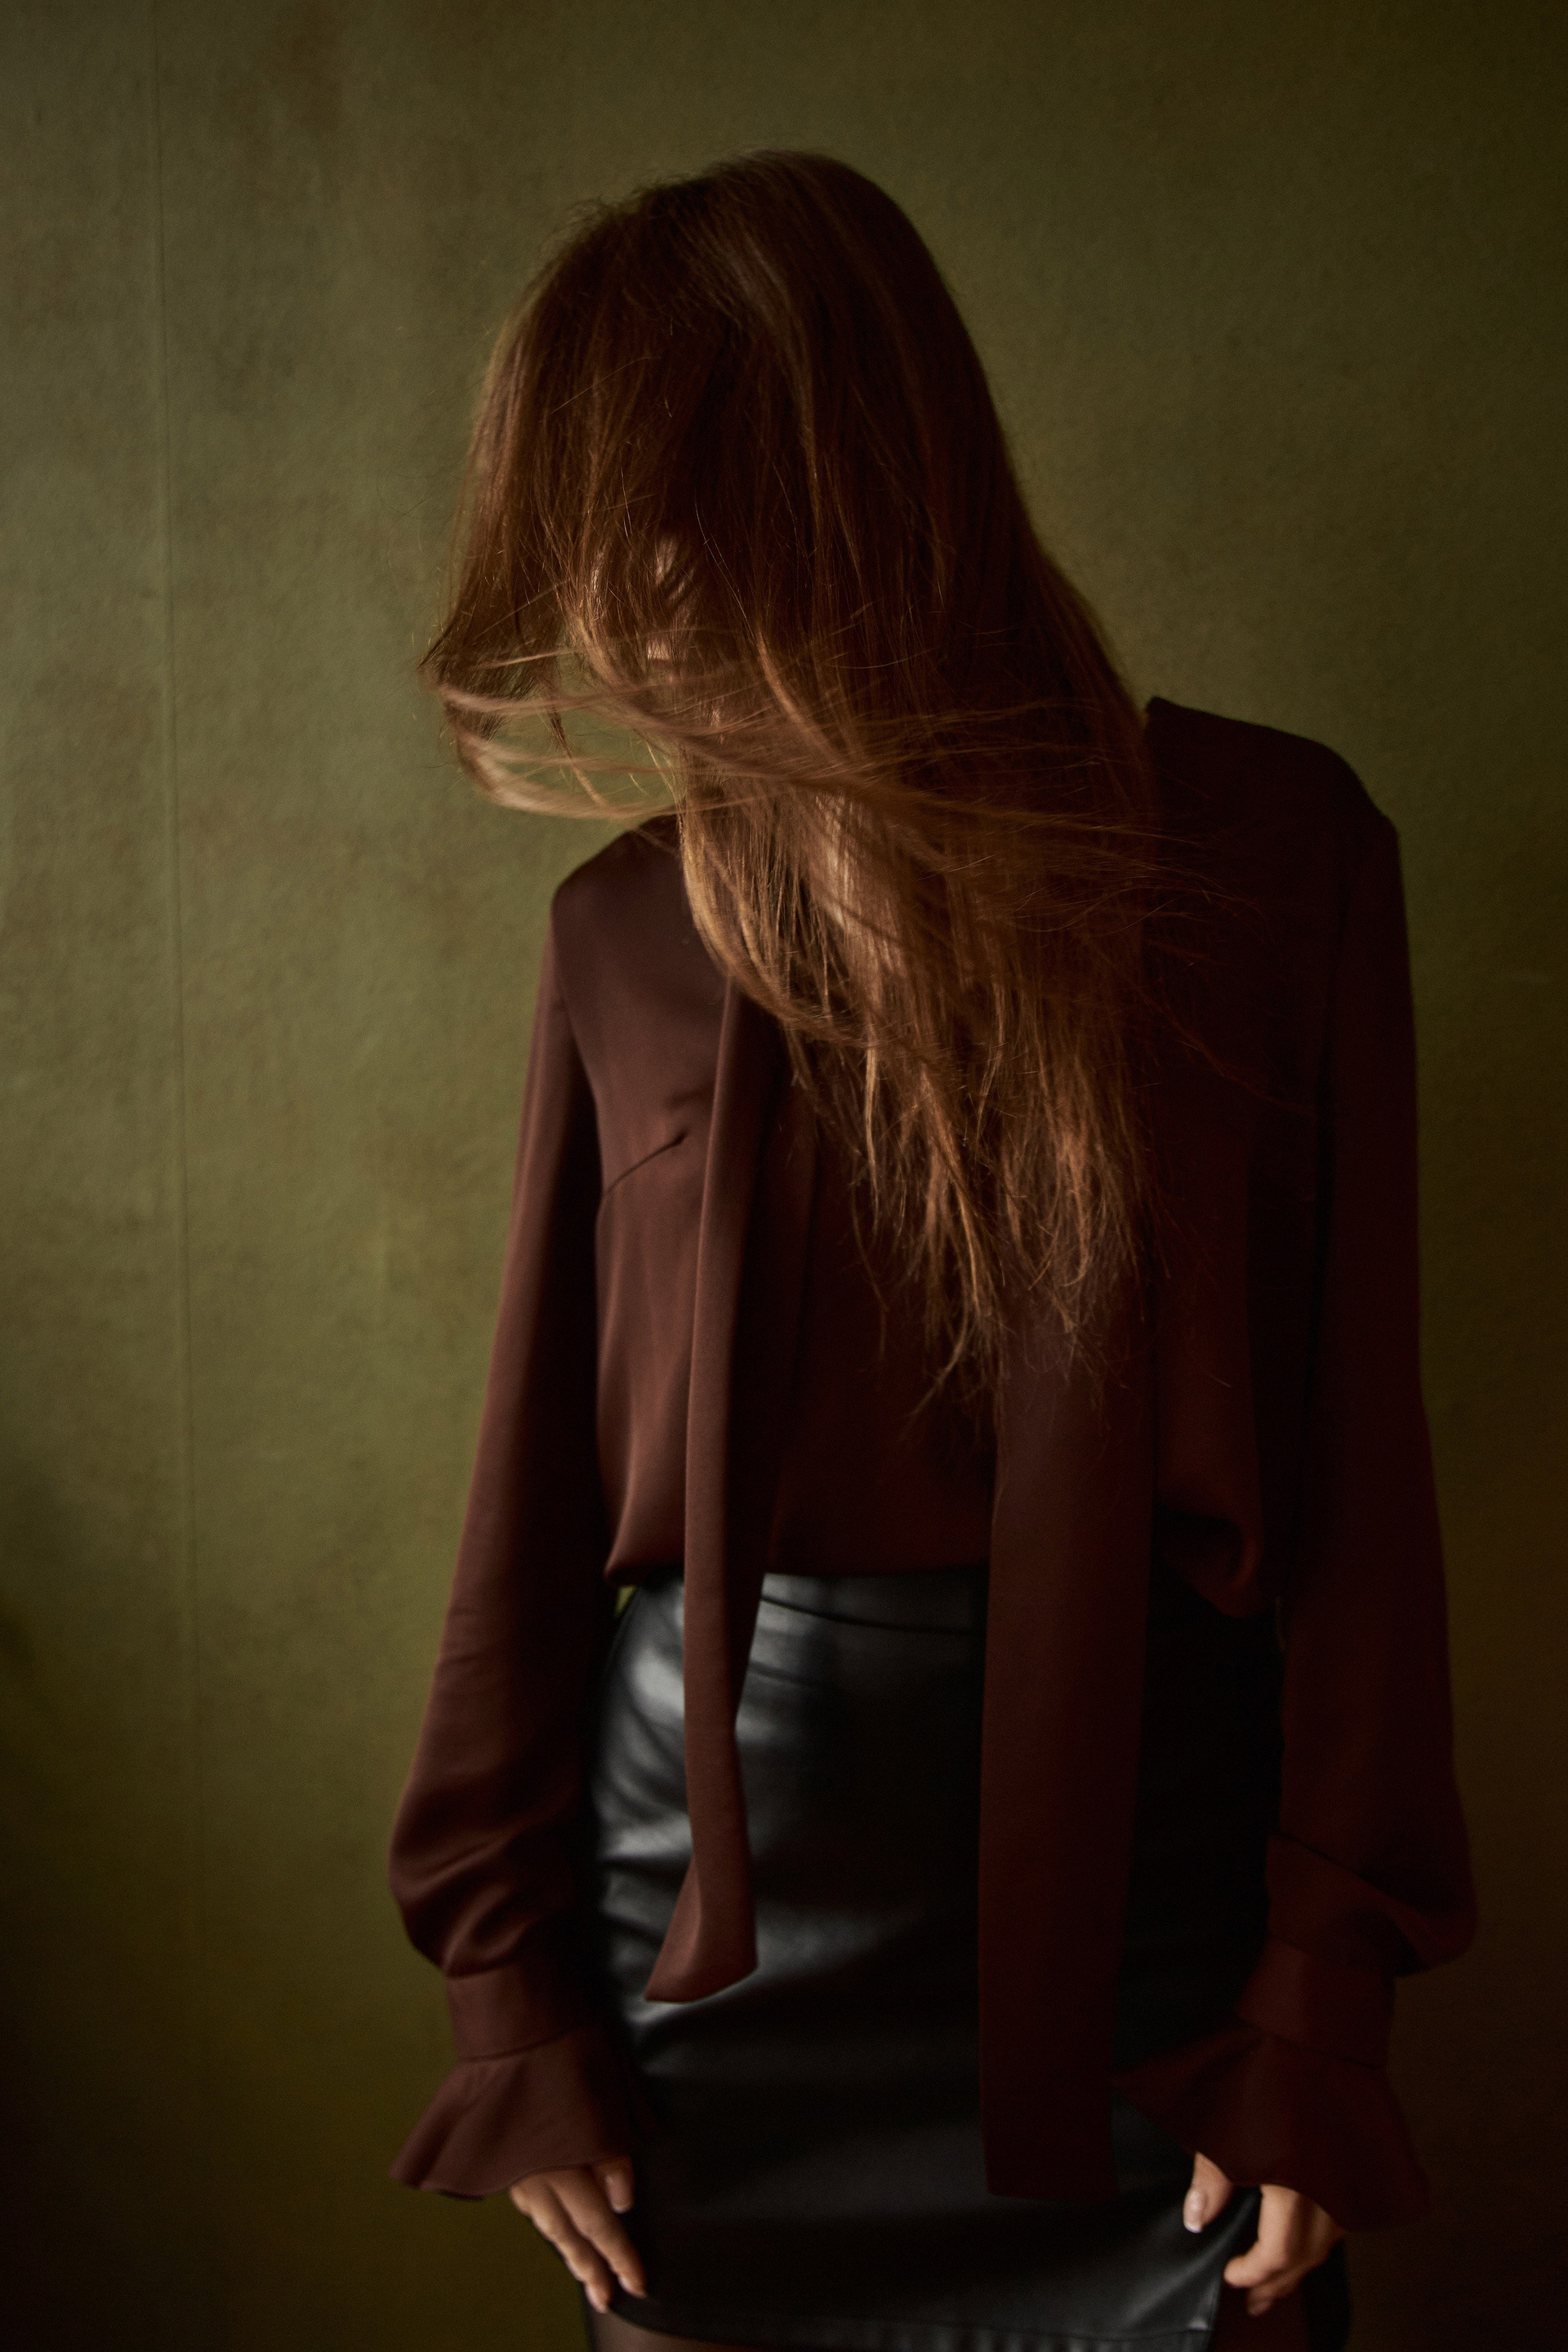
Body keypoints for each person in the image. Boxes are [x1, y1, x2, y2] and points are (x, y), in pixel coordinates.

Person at [386, 154, 1474, 2352]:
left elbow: (1366, 1497)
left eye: (669, 510)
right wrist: (513, 1991)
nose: (622, 603)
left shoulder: (1277, 863)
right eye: (588, 534)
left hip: (1163, 1943)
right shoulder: (620, 933)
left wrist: (1320, 2000)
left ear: (850, 478)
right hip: (713, 1965)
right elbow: (530, 1508)